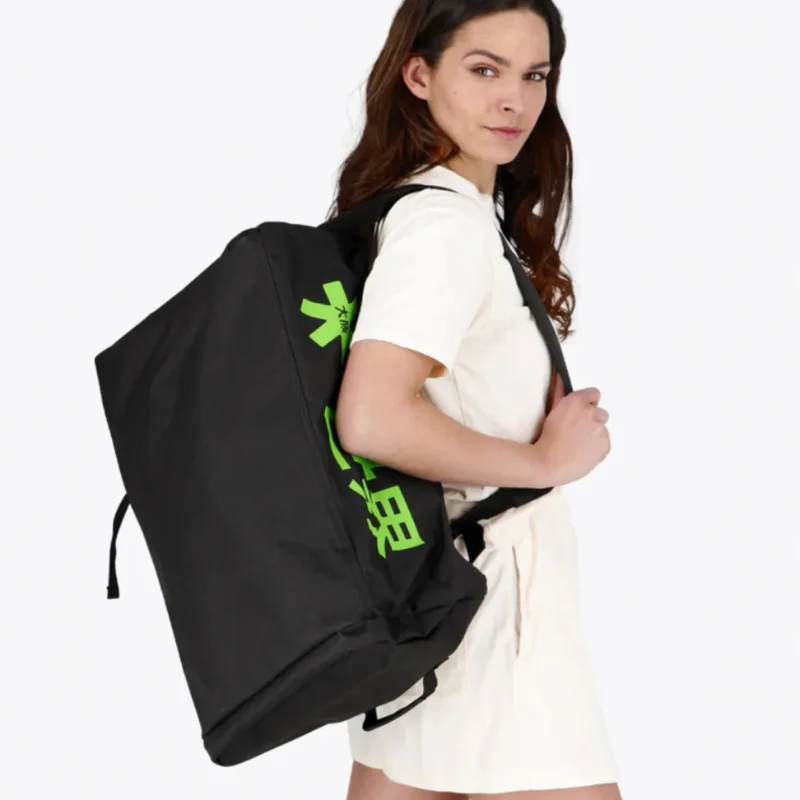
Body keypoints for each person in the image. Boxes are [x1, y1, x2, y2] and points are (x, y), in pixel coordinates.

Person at [330, 2, 621, 798]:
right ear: (419, 74)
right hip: (493, 612)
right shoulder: (444, 227)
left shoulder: (435, 212)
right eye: (484, 69)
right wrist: (545, 461)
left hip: (441, 596)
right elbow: (372, 418)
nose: (514, 100)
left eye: (535, 75)